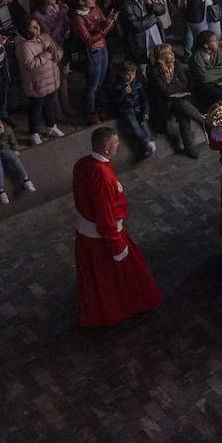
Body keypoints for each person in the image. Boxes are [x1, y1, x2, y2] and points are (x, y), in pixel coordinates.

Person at [72, 127, 164, 327]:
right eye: (116, 143)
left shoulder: (83, 164)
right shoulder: (102, 177)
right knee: (119, 277)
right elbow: (104, 216)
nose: (118, 145)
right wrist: (117, 246)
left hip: (86, 234)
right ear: (106, 148)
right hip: (104, 237)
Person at [146, 44, 204, 158]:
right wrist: (175, 86)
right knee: (181, 105)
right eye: (169, 53)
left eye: (172, 52)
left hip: (178, 99)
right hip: (163, 103)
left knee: (182, 114)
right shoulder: (154, 70)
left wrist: (171, 87)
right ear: (162, 57)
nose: (172, 55)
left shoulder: (175, 64)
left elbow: (184, 82)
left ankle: (189, 147)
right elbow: (164, 92)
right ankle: (206, 121)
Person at [70, 0, 116, 125]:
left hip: (103, 48)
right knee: (93, 84)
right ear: (81, 2)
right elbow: (89, 40)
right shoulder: (78, 18)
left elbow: (105, 24)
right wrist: (106, 26)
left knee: (101, 81)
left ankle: (98, 107)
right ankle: (90, 112)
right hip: (93, 53)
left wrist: (109, 21)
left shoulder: (95, 8)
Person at [16, 18, 65, 145]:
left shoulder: (46, 37)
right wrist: (48, 54)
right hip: (37, 84)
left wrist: (56, 55)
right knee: (35, 109)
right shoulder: (24, 46)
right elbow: (30, 64)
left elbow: (58, 49)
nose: (37, 27)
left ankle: (51, 127)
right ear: (25, 30)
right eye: (33, 26)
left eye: (37, 24)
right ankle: (34, 133)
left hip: (50, 80)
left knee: (49, 104)